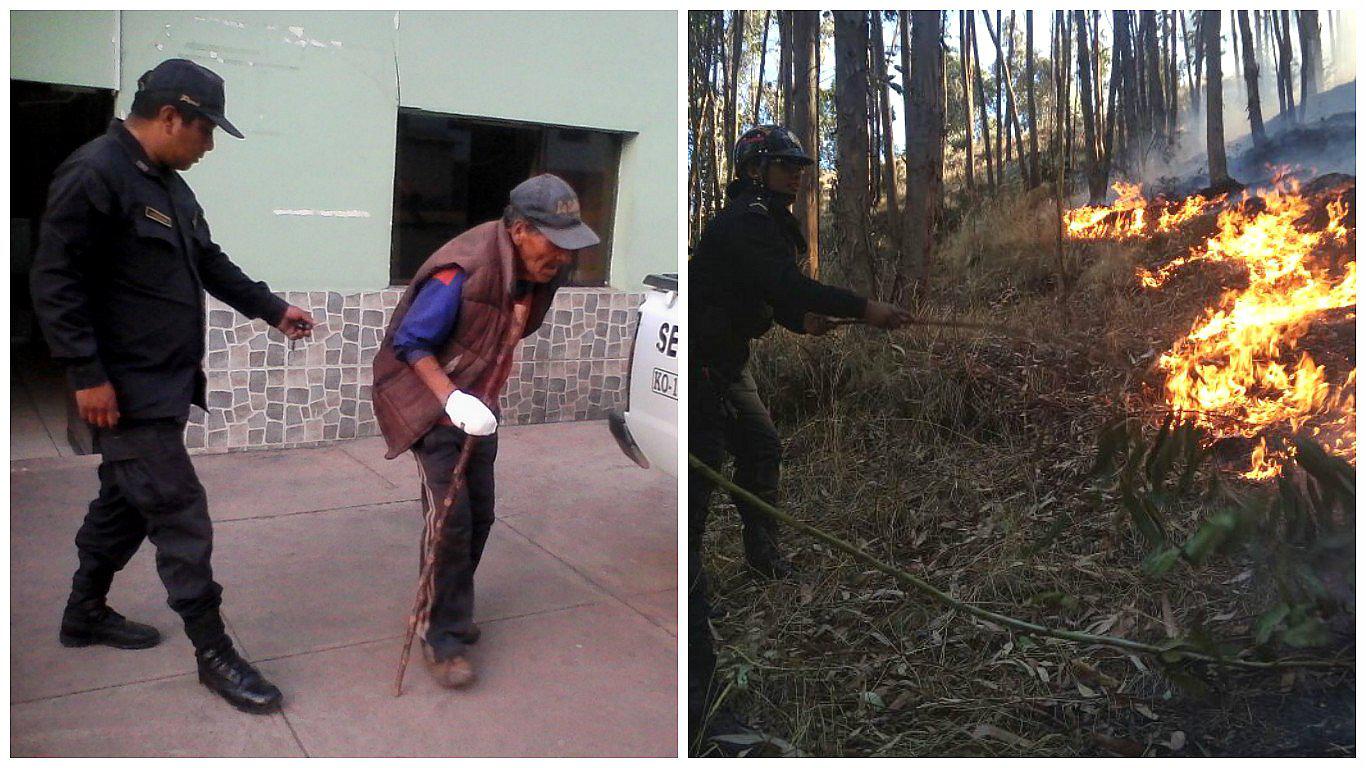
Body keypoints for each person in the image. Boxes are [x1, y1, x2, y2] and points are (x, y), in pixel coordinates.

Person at [29, 59, 316, 714]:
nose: (209, 146)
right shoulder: (94, 172)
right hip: (123, 392)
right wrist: (86, 374)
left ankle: (84, 613)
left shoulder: (169, 187)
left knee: (125, 503)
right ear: (169, 117)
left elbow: (208, 262)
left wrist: (270, 308)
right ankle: (214, 653)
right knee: (180, 513)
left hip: (161, 384)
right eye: (205, 130)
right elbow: (54, 280)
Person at [688, 125, 910, 747]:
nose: (798, 173)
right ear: (755, 169)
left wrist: (804, 322)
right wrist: (864, 306)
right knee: (699, 491)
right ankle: (694, 584)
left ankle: (762, 555)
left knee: (761, 450)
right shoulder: (745, 221)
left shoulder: (764, 223)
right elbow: (783, 285)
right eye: (785, 164)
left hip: (730, 364)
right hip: (704, 372)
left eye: (799, 165)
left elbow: (772, 297)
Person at [371, 174, 597, 688]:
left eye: (570, 244)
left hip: (480, 403)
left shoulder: (541, 272)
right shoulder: (462, 270)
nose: (563, 255)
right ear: (519, 229)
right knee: (449, 521)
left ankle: (449, 605)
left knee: (481, 515)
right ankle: (441, 634)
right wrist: (451, 398)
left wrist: (477, 399)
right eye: (554, 242)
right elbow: (411, 343)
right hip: (432, 404)